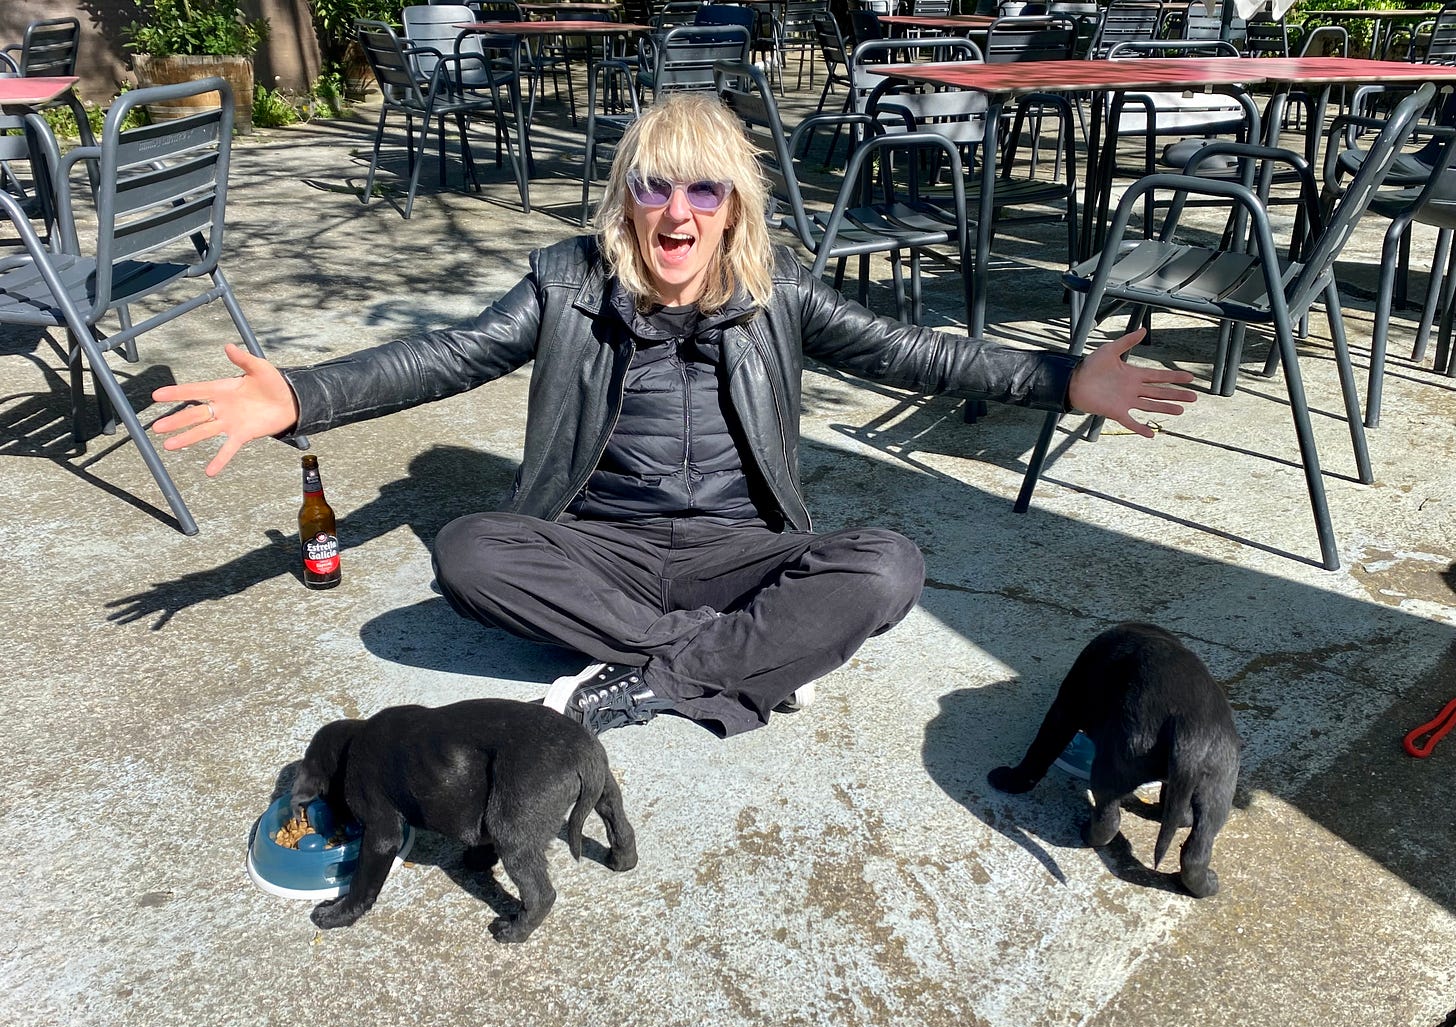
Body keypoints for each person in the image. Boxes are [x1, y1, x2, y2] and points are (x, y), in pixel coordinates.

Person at [152, 93, 1196, 738]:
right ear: (627, 198)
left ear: (732, 204)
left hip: (743, 551)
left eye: (704, 189)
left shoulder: (778, 289)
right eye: (656, 186)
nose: (678, 211)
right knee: (467, 549)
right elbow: (446, 355)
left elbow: (910, 351)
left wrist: (1060, 379)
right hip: (596, 550)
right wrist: (301, 395)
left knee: (888, 566)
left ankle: (651, 677)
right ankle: (741, 662)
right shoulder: (565, 281)